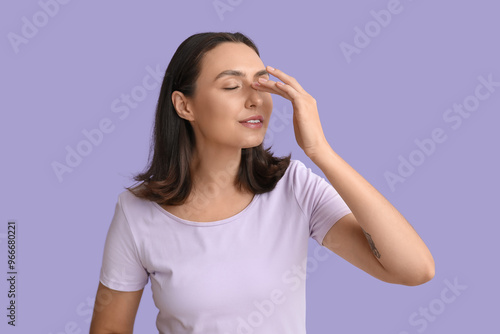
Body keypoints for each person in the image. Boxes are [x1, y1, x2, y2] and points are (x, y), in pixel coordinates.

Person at [89, 31, 435, 334]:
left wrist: (320, 152)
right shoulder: (137, 211)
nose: (255, 99)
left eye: (260, 84)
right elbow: (109, 328)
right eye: (231, 85)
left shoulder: (293, 187)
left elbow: (414, 269)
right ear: (184, 106)